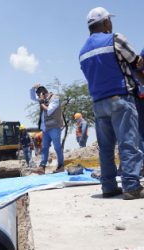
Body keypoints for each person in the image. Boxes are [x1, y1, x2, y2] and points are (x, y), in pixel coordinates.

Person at [79, 7, 144, 199]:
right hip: (121, 98)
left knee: (106, 147)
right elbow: (137, 63)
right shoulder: (115, 38)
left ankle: (108, 186)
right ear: (105, 22)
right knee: (128, 142)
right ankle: (131, 186)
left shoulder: (82, 51)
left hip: (98, 103)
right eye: (109, 20)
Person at [30, 84, 64, 174]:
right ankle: (42, 167)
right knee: (44, 148)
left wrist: (41, 102)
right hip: (45, 129)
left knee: (57, 147)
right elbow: (32, 97)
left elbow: (49, 110)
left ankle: (61, 166)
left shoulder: (55, 98)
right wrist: (33, 88)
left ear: (43, 93)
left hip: (54, 127)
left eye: (39, 95)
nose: (38, 98)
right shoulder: (43, 99)